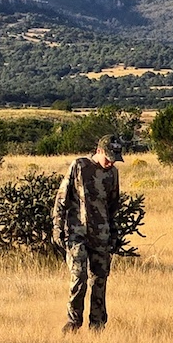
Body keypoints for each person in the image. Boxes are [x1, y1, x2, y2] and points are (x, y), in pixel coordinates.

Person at [52, 135, 122, 331]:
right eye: (108, 157)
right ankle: (73, 322)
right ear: (99, 151)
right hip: (77, 233)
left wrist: (114, 235)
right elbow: (61, 199)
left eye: (114, 158)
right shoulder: (80, 166)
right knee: (79, 277)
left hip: (102, 235)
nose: (111, 162)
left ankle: (97, 325)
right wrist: (57, 227)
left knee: (100, 280)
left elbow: (113, 207)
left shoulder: (113, 174)